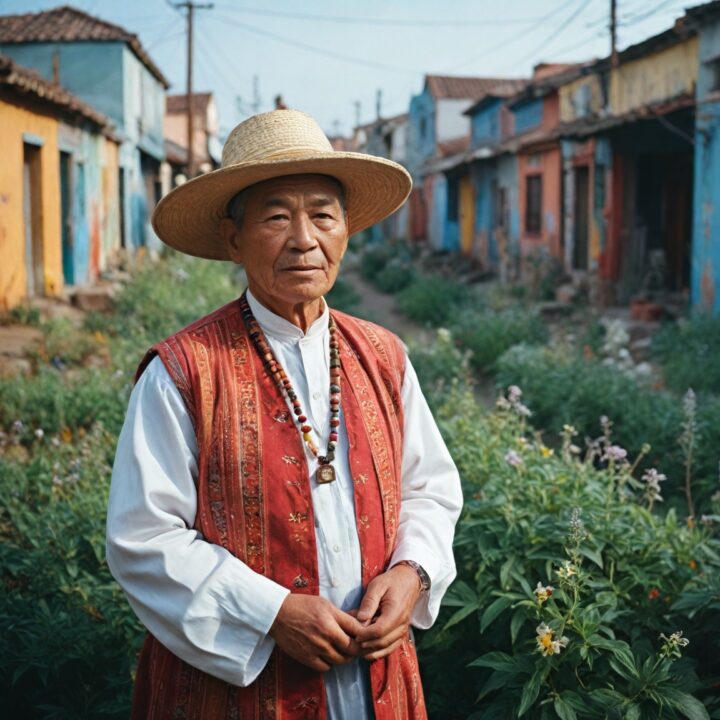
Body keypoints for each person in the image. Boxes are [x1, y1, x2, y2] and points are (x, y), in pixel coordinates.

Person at [106, 109, 463, 719]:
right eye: (276, 216)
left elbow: (429, 489)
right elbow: (143, 538)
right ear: (233, 238)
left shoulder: (383, 356)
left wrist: (413, 574)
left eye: (323, 214)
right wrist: (269, 612)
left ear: (346, 230)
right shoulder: (185, 371)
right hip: (235, 691)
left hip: (374, 677)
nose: (305, 239)